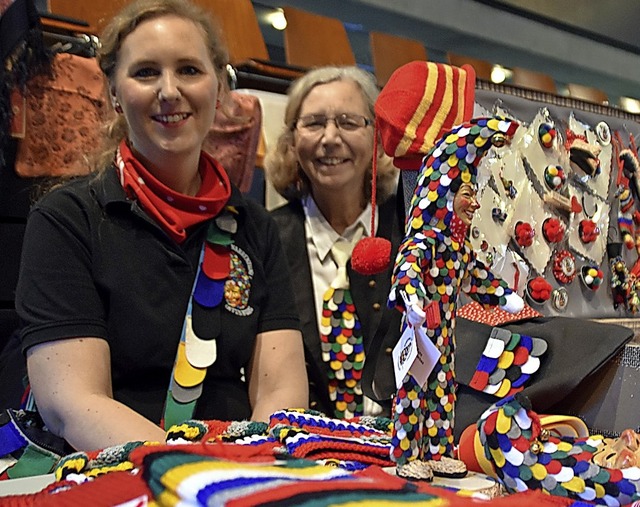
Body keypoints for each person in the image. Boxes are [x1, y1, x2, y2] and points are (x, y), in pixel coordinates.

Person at [15, 0, 307, 452]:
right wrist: (191, 474)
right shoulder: (66, 219)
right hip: (113, 471)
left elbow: (280, 393)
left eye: (189, 70)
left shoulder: (255, 226)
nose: (169, 90)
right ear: (113, 92)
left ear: (220, 88)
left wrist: (254, 474)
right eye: (146, 72)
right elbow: (72, 401)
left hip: (239, 472)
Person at [264, 66, 404, 420]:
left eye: (348, 121)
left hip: (403, 442)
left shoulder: (411, 229)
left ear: (376, 137)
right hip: (308, 445)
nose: (329, 137)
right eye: (313, 123)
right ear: (292, 141)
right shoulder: (267, 237)